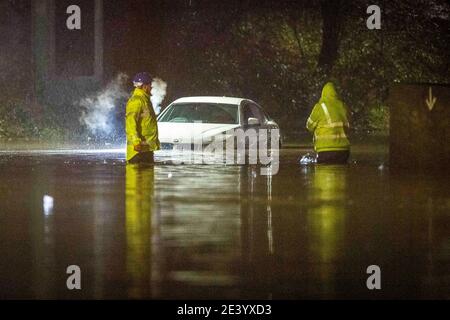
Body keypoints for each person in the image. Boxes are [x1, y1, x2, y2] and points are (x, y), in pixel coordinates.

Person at [306, 82, 350, 164]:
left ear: (323, 94)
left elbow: (309, 126)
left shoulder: (319, 107)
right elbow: (348, 125)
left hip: (325, 152)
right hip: (344, 152)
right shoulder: (343, 106)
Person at [126, 72, 160, 164]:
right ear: (144, 86)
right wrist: (136, 141)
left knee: (148, 178)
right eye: (150, 85)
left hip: (146, 150)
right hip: (138, 152)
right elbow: (130, 123)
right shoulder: (136, 100)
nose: (151, 87)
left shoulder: (145, 100)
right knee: (138, 177)